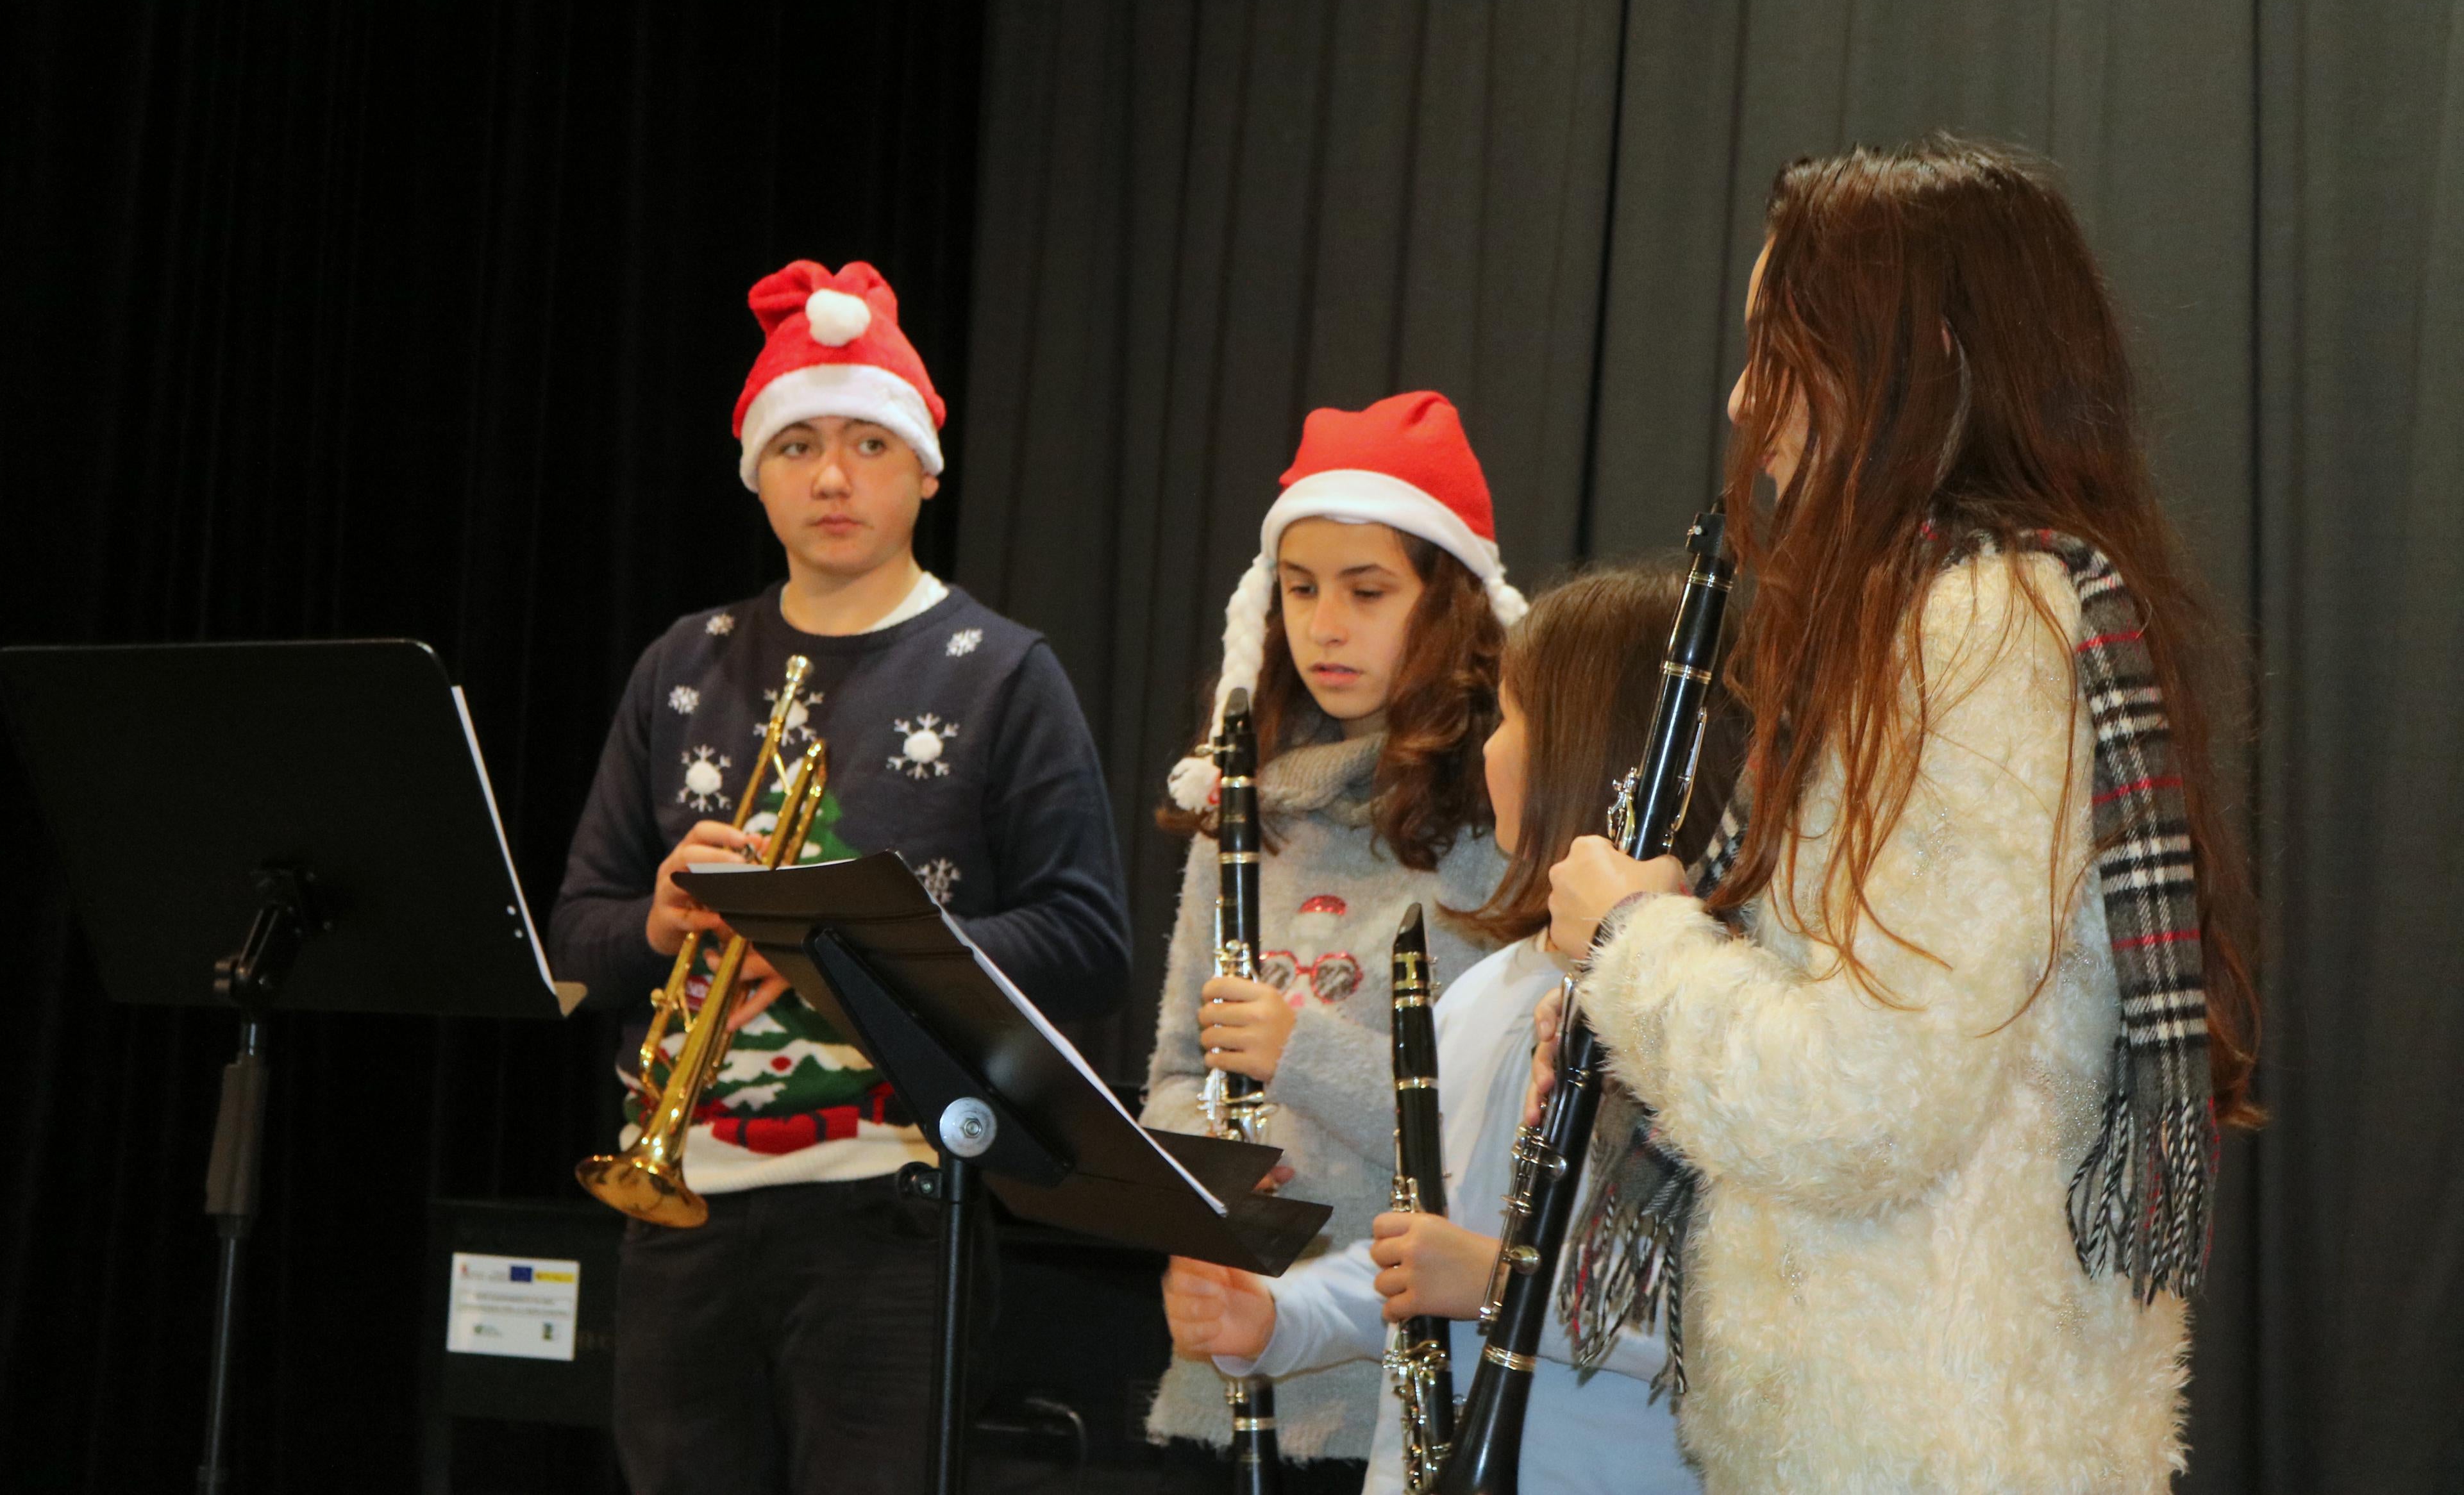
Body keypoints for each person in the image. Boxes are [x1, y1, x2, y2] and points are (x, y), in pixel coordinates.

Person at [1546, 137, 2260, 1494]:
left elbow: (1863, 1103)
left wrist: (1631, 948)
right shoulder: (1938, 632)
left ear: (1917, 356)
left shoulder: (1980, 638)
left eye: (1781, 349)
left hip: (1925, 1451)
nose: (1745, 399)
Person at [547, 259, 1132, 1495]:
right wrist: (656, 918)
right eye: (798, 442)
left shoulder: (1000, 671)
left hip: (893, 1211)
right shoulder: (682, 664)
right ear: (752, 468)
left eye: (869, 441)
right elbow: (576, 936)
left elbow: (1088, 944)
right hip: (687, 1204)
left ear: (926, 467)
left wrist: (849, 949)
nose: (830, 475)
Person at [1160, 564, 1741, 1495]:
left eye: (1513, 720)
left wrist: (1496, 1282)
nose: (1489, 753)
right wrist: (1271, 1319)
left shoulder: (1706, 1011)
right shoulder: (1489, 993)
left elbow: (1718, 1327)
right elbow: (1422, 1258)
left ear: (1592, 751)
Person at [1142, 390, 1522, 1490]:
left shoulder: (1495, 829)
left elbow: (1491, 1130)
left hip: (1400, 1390)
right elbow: (1176, 1069)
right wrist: (1206, 1176)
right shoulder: (1242, 807)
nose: (1326, 626)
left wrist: (1297, 1047)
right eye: (1300, 591)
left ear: (1448, 605)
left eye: (1368, 592)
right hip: (1229, 1364)